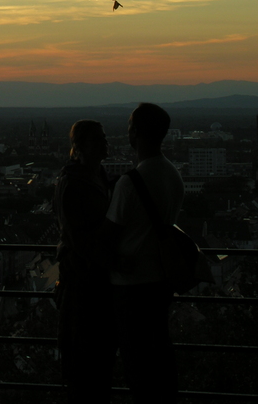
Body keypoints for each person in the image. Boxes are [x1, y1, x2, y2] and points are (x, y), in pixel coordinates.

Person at [105, 103, 185, 404]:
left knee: (136, 366)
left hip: (130, 285)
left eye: (130, 126)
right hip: (161, 281)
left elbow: (108, 235)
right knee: (159, 359)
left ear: (136, 133)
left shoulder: (130, 183)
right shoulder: (172, 175)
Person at [54, 119, 115, 403]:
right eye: (97, 140)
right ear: (78, 148)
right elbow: (81, 241)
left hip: (96, 281)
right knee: (85, 364)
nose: (104, 144)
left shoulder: (97, 174)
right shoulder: (74, 184)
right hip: (84, 284)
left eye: (104, 138)